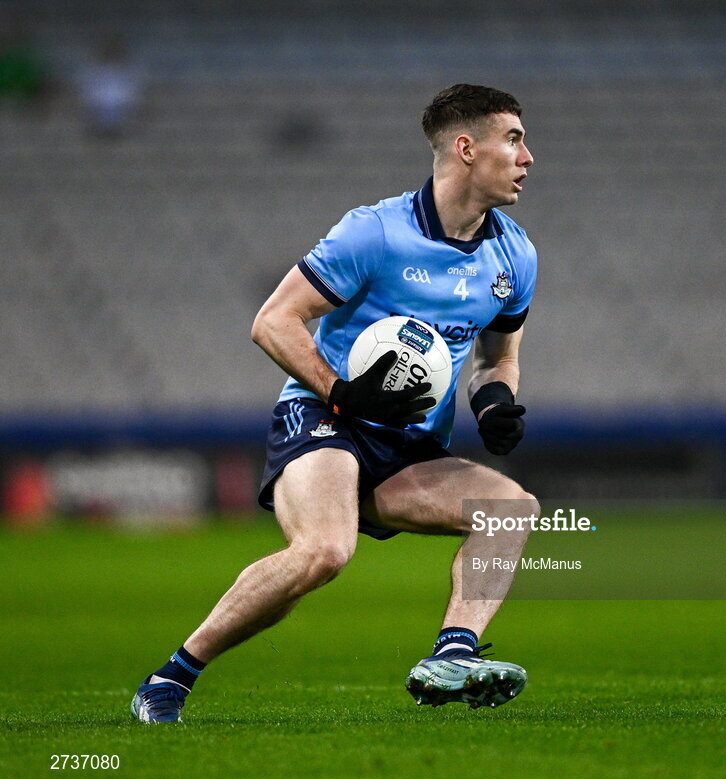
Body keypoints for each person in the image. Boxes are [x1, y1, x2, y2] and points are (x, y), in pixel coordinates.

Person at [132, 84, 539, 722]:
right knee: (325, 551)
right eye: (513, 139)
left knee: (512, 510)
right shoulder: (374, 233)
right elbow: (273, 321)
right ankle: (171, 678)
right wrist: (340, 391)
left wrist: (493, 404)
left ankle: (452, 656)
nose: (527, 157)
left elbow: (499, 355)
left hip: (409, 447)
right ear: (466, 148)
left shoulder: (514, 253)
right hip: (327, 421)